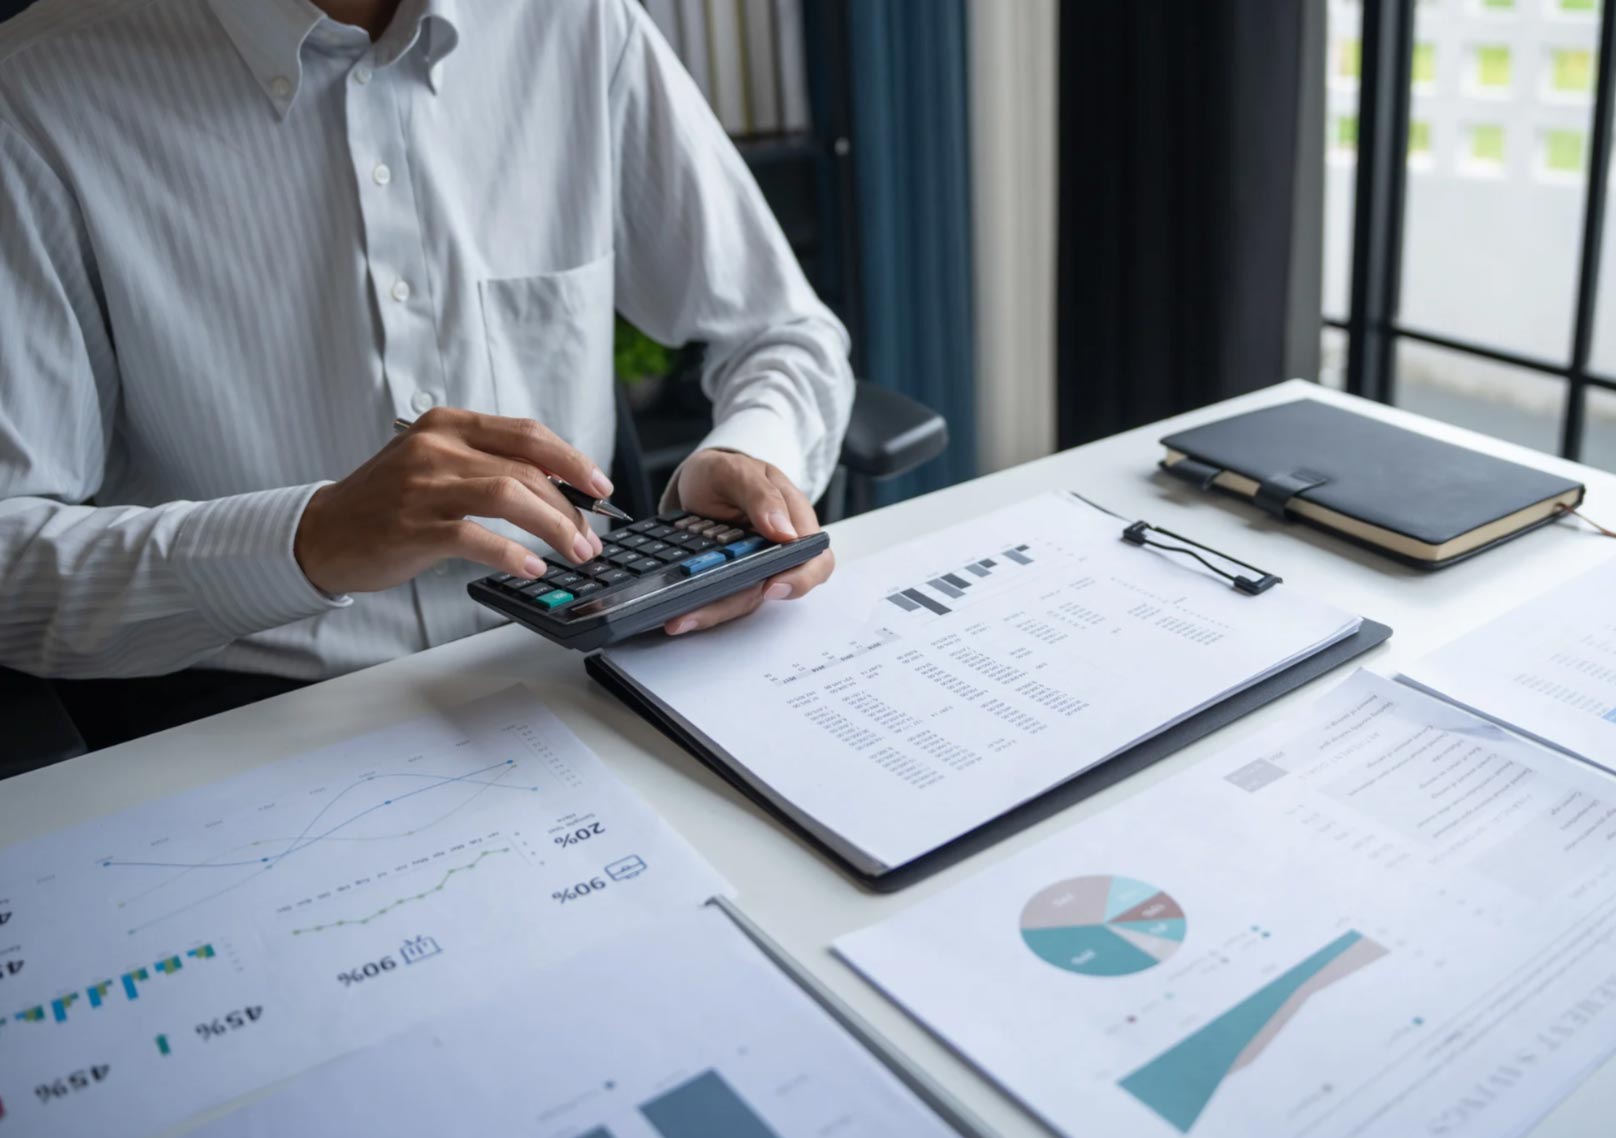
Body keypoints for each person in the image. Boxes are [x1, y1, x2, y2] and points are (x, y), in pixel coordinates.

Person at [0, 0, 850, 732]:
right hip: (248, 715)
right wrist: (305, 541)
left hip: (593, 671)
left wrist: (755, 459)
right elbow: (11, 568)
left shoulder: (578, 22)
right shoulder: (35, 92)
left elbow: (784, 330)